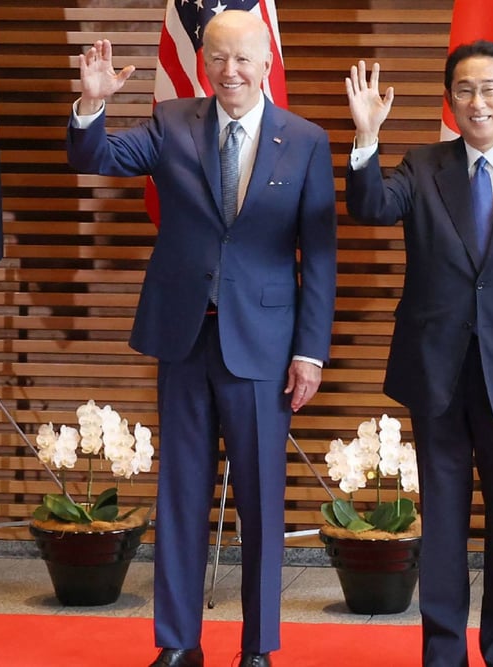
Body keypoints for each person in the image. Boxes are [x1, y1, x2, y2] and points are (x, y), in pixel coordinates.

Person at [67, 10, 336, 667]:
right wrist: (91, 106)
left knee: (262, 502)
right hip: (185, 337)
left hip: (265, 345)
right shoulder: (172, 123)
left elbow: (320, 255)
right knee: (180, 495)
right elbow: (95, 156)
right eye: (217, 57)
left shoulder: (303, 140)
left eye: (243, 58)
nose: (229, 71)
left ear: (266, 62)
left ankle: (258, 646)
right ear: (203, 61)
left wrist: (310, 349)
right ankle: (179, 641)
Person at [345, 41, 493, 666]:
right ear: (450, 100)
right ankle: (443, 654)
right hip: (438, 374)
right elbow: (370, 206)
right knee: (444, 526)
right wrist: (366, 139)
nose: (477, 102)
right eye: (465, 90)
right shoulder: (422, 166)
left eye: (490, 89)